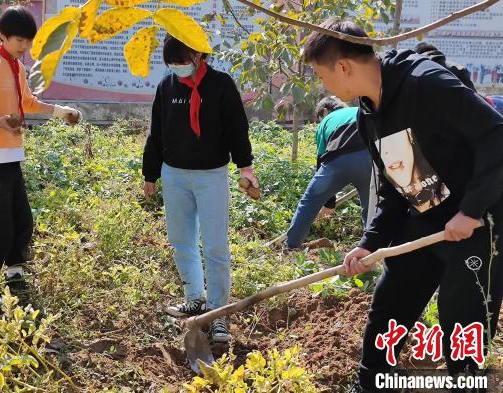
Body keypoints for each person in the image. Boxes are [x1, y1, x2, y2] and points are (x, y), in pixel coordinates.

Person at [303, 18, 503, 392]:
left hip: (477, 225)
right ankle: (370, 386)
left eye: (321, 74)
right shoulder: (368, 113)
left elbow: (496, 135)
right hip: (426, 218)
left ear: (343, 67)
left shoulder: (424, 83)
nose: (323, 85)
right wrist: (370, 242)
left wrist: (472, 209)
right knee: (390, 304)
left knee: (462, 320)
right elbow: (398, 185)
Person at [0, 6, 82, 315]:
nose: (24, 46)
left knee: (22, 221)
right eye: (18, 40)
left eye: (28, 41)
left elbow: (26, 101)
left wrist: (60, 111)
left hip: (9, 157)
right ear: (2, 36)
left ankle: (14, 276)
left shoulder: (17, 67)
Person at [142, 34, 257, 343]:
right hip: (175, 175)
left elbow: (237, 129)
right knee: (182, 240)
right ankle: (195, 298)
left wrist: (246, 167)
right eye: (172, 64)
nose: (177, 68)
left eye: (181, 62)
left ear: (197, 54)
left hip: (211, 176)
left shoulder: (220, 85)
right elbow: (156, 134)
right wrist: (150, 174)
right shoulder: (166, 88)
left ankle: (219, 314)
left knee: (216, 245)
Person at [284, 96, 372, 249]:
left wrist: (328, 203)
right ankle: (371, 249)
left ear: (324, 111)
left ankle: (291, 247)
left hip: (337, 161)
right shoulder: (359, 110)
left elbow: (321, 160)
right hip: (370, 158)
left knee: (308, 203)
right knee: (371, 208)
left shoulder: (326, 121)